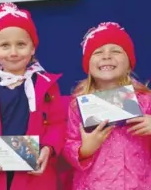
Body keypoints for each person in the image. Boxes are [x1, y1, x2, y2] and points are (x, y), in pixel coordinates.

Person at [0, 2, 67, 190]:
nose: (13, 52)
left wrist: (48, 149)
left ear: (32, 48)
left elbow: (57, 123)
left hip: (35, 177)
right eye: (4, 45)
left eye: (21, 44)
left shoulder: (47, 86)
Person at [63, 22, 151, 190]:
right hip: (93, 185)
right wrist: (84, 150)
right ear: (88, 65)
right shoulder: (78, 104)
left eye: (116, 51)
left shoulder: (146, 100)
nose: (107, 56)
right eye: (98, 52)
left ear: (129, 63)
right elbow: (68, 143)